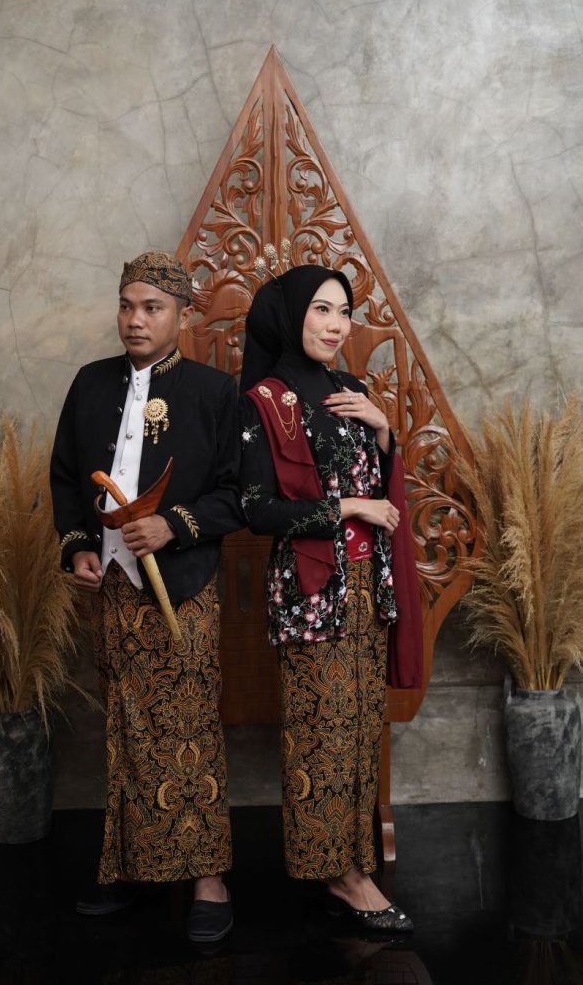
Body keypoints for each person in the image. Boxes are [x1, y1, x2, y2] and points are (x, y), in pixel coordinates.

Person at [50, 251, 244, 943]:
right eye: (127, 305)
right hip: (112, 588)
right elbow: (67, 475)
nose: (135, 319)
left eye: (152, 308)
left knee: (189, 727)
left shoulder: (214, 393)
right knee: (127, 726)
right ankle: (127, 865)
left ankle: (208, 878)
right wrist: (78, 545)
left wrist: (174, 525)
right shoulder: (90, 383)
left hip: (182, 588)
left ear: (182, 317)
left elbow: (238, 494)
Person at [238, 264, 414, 933]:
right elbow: (260, 510)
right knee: (321, 733)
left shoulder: (352, 391)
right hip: (314, 591)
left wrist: (385, 431)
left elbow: (383, 490)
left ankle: (353, 860)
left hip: (368, 588)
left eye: (344, 311)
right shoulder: (265, 399)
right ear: (291, 316)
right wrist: (349, 507)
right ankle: (337, 872)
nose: (337, 324)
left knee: (360, 728)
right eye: (321, 309)